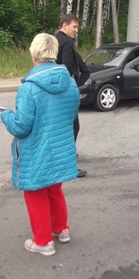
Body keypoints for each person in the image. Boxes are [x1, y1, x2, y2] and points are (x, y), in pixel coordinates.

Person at [0, 33, 79, 256]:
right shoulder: (70, 83)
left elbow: (21, 126)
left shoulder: (29, 88)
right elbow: (70, 115)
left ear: (34, 56)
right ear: (54, 54)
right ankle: (61, 229)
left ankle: (43, 241)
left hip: (36, 150)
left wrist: (6, 115)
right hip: (59, 147)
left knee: (35, 192)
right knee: (54, 188)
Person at [55, 14, 90, 178]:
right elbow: (67, 67)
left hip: (53, 89)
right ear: (64, 25)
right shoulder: (67, 42)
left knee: (60, 127)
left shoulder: (53, 39)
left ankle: (61, 158)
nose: (76, 30)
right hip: (64, 92)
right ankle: (67, 163)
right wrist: (71, 87)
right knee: (72, 127)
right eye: (74, 27)